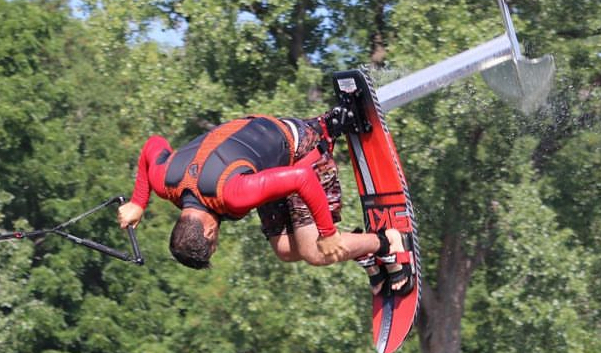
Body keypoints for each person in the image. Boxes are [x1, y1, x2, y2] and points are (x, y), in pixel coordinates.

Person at [117, 114, 412, 294]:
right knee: (285, 249)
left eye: (214, 245)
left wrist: (328, 233)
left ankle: (386, 242)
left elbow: (301, 179)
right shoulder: (165, 181)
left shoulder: (232, 193)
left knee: (315, 251)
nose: (217, 241)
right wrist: (138, 202)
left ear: (207, 233)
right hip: (265, 161)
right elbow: (153, 145)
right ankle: (360, 247)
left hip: (302, 151)